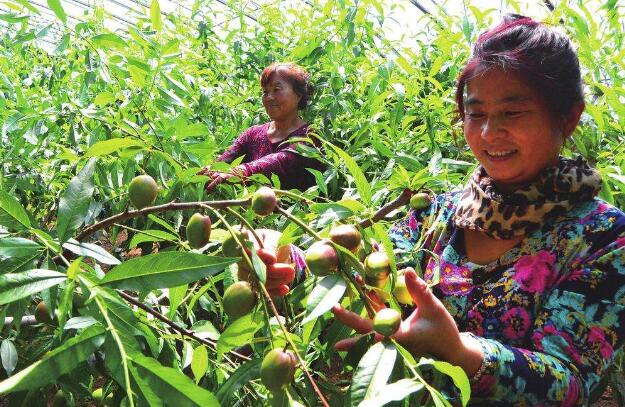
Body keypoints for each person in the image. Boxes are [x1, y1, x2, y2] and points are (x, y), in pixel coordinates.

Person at [331, 15, 625, 406]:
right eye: (476, 113)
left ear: (567, 117)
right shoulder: (438, 211)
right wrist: (291, 263)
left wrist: (461, 354)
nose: (488, 134)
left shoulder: (604, 237)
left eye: (512, 112)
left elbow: (570, 383)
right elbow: (373, 262)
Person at [200, 63, 324, 192]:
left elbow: (281, 162)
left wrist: (241, 171)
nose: (269, 97)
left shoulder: (310, 136)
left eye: (276, 89)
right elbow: (224, 162)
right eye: (265, 91)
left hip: (298, 211)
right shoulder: (253, 134)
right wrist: (210, 170)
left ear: (298, 95)